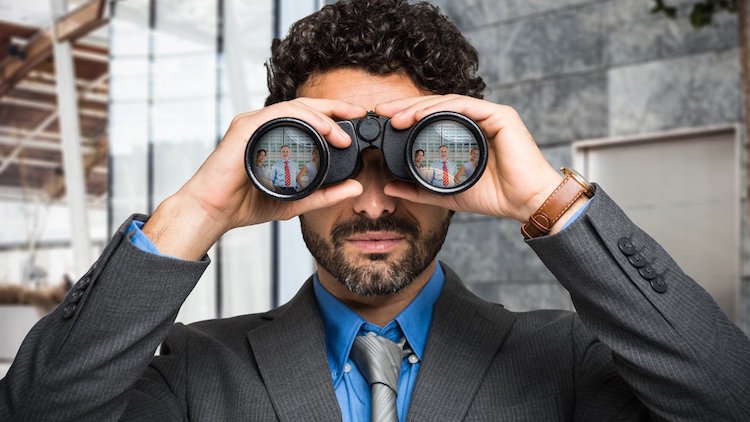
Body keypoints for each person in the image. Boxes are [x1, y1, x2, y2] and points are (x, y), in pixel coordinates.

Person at [2, 0, 749, 421]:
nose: (372, 200)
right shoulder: (202, 371)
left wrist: (544, 199)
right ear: (285, 173)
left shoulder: (565, 360)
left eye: (407, 163)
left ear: (461, 164)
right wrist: (194, 210)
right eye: (330, 166)